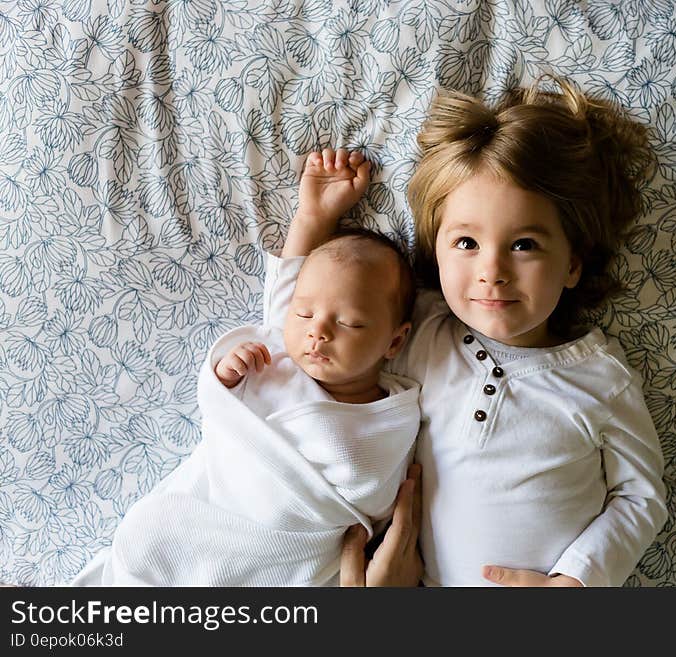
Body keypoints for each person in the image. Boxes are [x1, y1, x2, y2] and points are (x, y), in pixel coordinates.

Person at [304, 76, 669, 587]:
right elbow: (314, 318)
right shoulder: (418, 331)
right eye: (466, 243)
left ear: (572, 265)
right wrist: (314, 221)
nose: (492, 271)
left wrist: (577, 580)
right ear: (435, 252)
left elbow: (641, 498)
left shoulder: (599, 378)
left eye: (523, 245)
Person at [71, 152, 423, 586]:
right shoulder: (277, 354)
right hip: (198, 523)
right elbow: (288, 285)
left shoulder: (393, 416)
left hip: (281, 552)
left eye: (349, 323)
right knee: (149, 549)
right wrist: (225, 376)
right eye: (305, 314)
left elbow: (371, 495)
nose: (318, 333)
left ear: (394, 341)